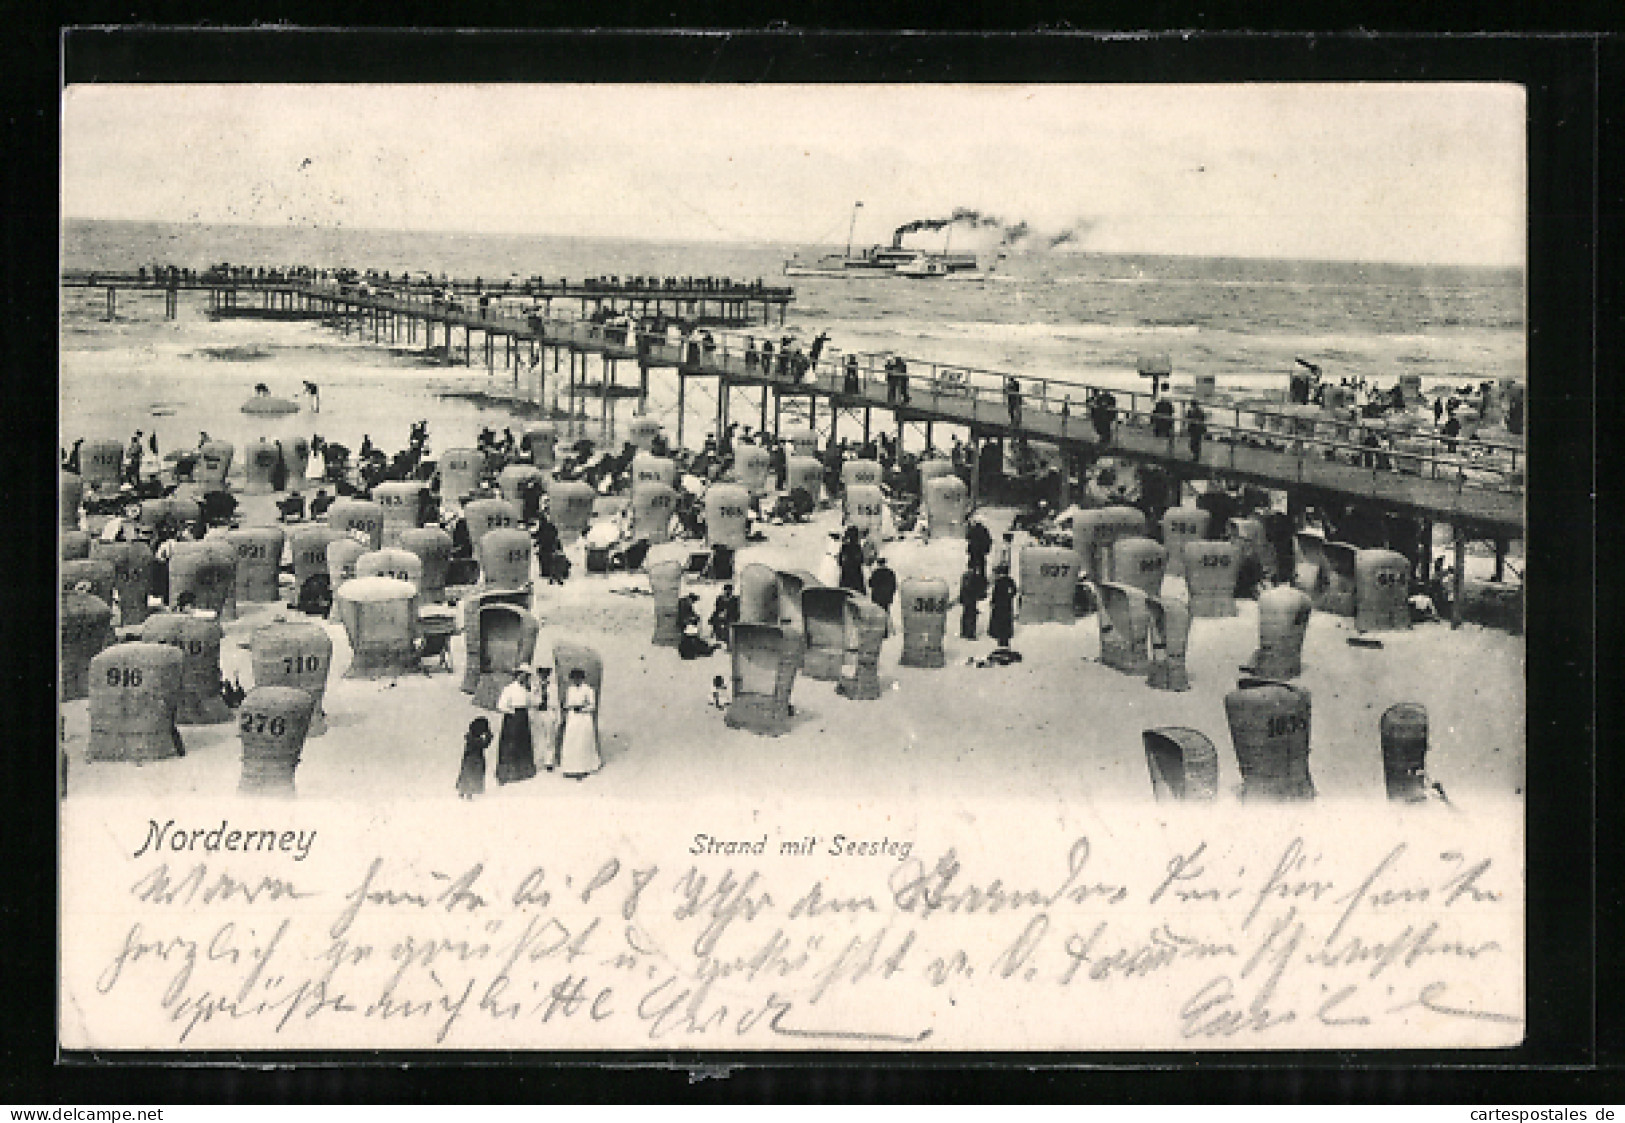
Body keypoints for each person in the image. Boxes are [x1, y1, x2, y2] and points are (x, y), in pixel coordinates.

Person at [495, 666, 537, 784]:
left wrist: (533, 692)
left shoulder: (526, 690)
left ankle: (523, 772)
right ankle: (507, 773)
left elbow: (533, 703)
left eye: (527, 676)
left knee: (523, 743)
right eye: (523, 675)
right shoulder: (509, 689)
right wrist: (513, 712)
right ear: (518, 675)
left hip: (523, 718)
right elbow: (501, 705)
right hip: (512, 719)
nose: (525, 678)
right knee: (510, 744)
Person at [559, 667, 602, 779]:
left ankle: (583, 768)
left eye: (578, 678)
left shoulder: (588, 690)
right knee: (571, 741)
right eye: (574, 679)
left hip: (584, 719)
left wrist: (582, 708)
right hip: (573, 718)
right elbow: (567, 703)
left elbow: (592, 706)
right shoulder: (570, 689)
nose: (576, 681)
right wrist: (569, 707)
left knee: (582, 742)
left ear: (582, 679)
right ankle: (570, 768)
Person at [528, 667, 558, 772]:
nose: (544, 675)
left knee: (550, 737)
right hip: (537, 712)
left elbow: (555, 702)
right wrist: (537, 699)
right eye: (541, 673)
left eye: (546, 673)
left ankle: (549, 761)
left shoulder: (553, 687)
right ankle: (537, 760)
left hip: (548, 712)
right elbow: (530, 700)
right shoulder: (534, 686)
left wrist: (554, 714)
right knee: (537, 737)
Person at [456, 717, 492, 799]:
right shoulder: (475, 740)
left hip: (469, 760)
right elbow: (484, 745)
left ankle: (463, 792)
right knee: (472, 776)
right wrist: (488, 737)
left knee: (466, 776)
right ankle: (468, 794)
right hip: (475, 761)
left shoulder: (471, 738)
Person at [988, 565, 1018, 650]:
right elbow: (1014, 591)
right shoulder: (1010, 581)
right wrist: (1009, 597)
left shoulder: (999, 582)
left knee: (999, 621)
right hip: (1007, 605)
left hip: (999, 605)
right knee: (1006, 621)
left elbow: (995, 594)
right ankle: (1005, 637)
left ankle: (999, 636)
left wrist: (993, 602)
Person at [958, 566, 988, 640]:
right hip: (971, 599)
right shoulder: (974, 577)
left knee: (966, 614)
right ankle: (970, 633)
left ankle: (964, 632)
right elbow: (978, 588)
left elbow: (962, 588)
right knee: (971, 616)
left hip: (966, 599)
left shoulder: (965, 576)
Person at [869, 557, 897, 630]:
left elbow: (870, 584)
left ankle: (879, 629)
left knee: (878, 613)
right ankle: (887, 629)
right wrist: (891, 594)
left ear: (878, 564)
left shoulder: (875, 573)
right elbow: (894, 585)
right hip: (887, 596)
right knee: (886, 612)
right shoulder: (890, 572)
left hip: (877, 596)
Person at [838, 526, 867, 595]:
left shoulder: (844, 547)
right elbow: (861, 560)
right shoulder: (857, 547)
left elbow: (840, 561)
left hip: (846, 573)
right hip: (856, 574)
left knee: (845, 592)